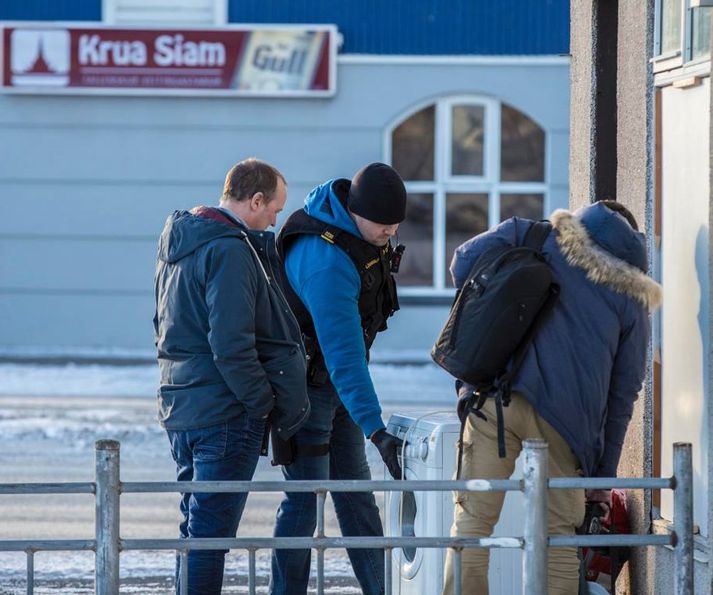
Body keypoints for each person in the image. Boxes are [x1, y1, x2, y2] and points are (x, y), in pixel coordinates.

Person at [442, 200, 662, 594]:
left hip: (498, 398)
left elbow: (462, 263)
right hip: (569, 427)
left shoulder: (532, 234)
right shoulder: (632, 298)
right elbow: (623, 396)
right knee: (557, 535)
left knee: (472, 523)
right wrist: (600, 478)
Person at [153, 158, 310, 595]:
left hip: (181, 404)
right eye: (275, 209)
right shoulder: (229, 249)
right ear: (255, 200)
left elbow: (161, 326)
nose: (277, 220)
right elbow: (232, 344)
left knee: (195, 531)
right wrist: (261, 405)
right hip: (225, 412)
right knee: (210, 537)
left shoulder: (179, 242)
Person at [270, 162, 408, 595]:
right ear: (355, 212)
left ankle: (379, 589)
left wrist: (366, 420)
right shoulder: (326, 261)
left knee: (355, 493)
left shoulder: (360, 232)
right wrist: (376, 429)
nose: (390, 232)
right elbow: (344, 355)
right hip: (304, 389)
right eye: (383, 224)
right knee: (307, 498)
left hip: (334, 383)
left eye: (396, 224)